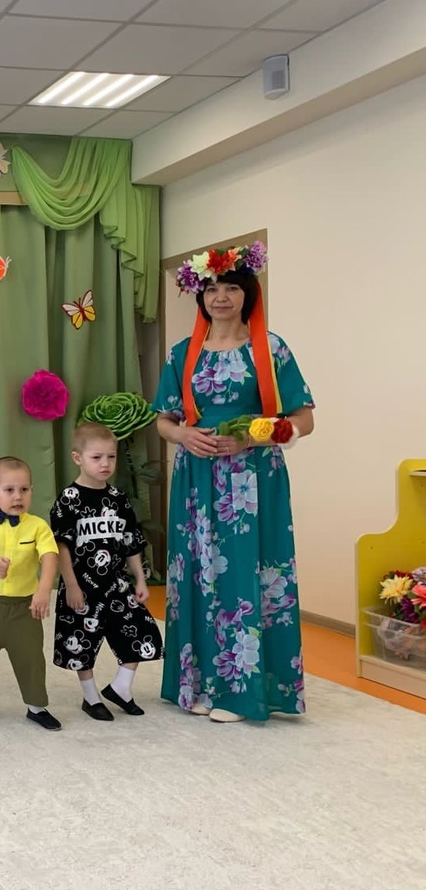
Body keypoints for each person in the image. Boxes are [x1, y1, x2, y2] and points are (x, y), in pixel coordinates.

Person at [152, 242, 314, 723]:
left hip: (254, 480)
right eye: (211, 289)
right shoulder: (182, 354)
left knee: (248, 572)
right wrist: (184, 435)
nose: (220, 297)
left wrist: (254, 436)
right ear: (200, 296)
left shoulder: (272, 349)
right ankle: (198, 683)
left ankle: (241, 693)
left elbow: (303, 420)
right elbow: (164, 421)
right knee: (197, 574)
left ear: (248, 294)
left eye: (230, 288)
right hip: (196, 477)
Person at [49, 423, 163, 721]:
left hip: (117, 584)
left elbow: (130, 542)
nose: (105, 464)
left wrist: (140, 578)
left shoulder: (118, 498)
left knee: (144, 632)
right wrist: (71, 585)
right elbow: (61, 547)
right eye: (97, 457)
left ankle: (121, 687)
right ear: (78, 458)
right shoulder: (68, 499)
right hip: (82, 586)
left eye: (111, 457)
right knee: (81, 642)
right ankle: (91, 698)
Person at [0, 456, 62, 731]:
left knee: (31, 657)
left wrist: (43, 590)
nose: (18, 496)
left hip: (24, 607)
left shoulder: (38, 526)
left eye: (24, 489)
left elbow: (49, 557)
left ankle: (36, 707)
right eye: (9, 490)